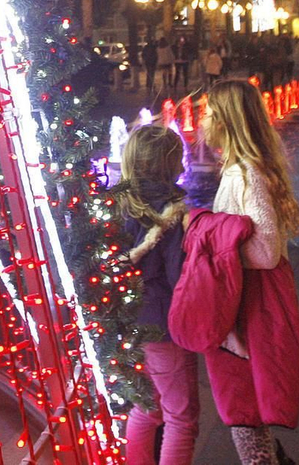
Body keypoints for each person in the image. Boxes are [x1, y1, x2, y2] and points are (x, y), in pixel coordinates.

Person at [197, 81, 299, 464]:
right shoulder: (240, 170)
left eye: (209, 112)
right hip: (240, 308)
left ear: (227, 121)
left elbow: (266, 249)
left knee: (244, 415)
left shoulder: (246, 176)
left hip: (247, 311)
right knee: (245, 415)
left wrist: (214, 241)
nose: (203, 119)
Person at [116, 125, 196, 465]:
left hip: (130, 323)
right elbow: (179, 275)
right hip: (162, 324)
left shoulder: (120, 204)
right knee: (181, 418)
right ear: (169, 164)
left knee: (147, 407)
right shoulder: (171, 211)